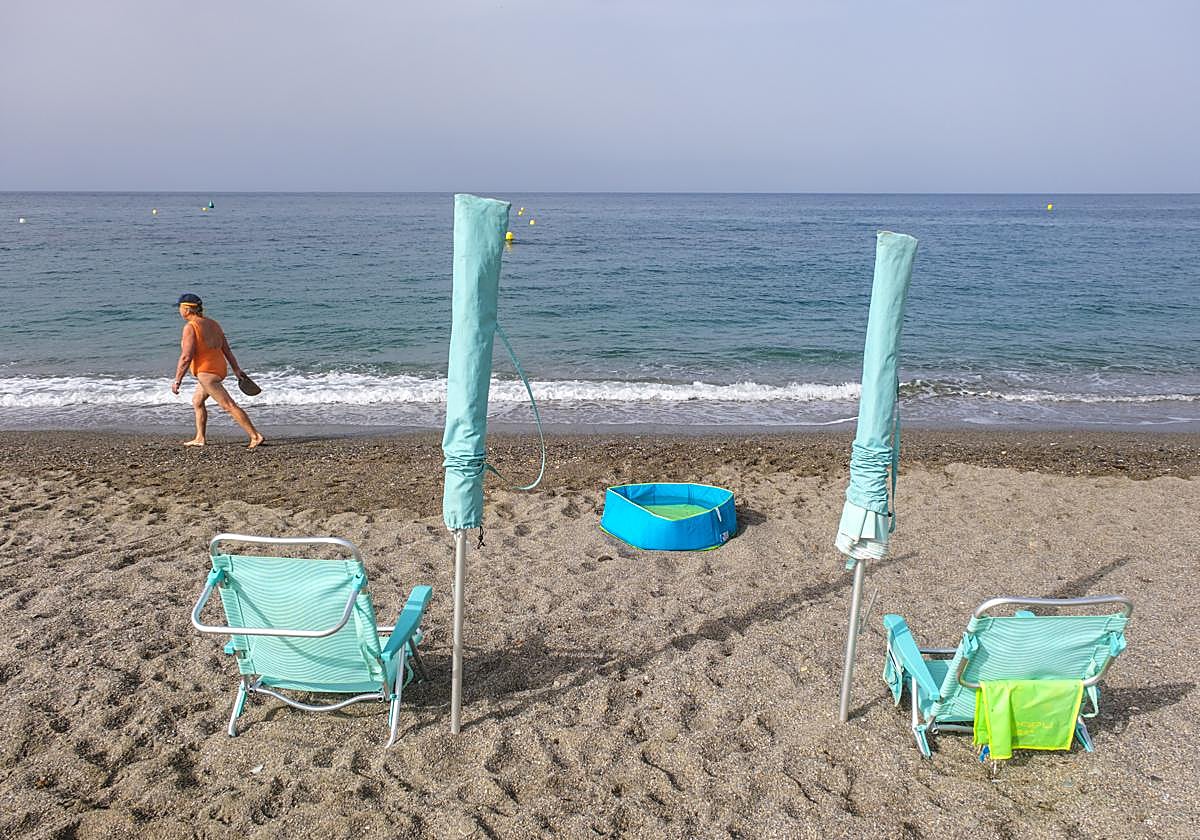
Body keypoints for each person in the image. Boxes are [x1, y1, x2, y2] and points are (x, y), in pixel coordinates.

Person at [171, 293, 264, 448]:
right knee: (197, 401)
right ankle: (200, 438)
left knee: (228, 405)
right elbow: (226, 350)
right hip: (218, 369)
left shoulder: (190, 327)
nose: (179, 311)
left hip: (206, 374)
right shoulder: (214, 324)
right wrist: (236, 369)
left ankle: (255, 436)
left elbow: (186, 356)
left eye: (180, 307)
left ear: (187, 309)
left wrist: (177, 380)